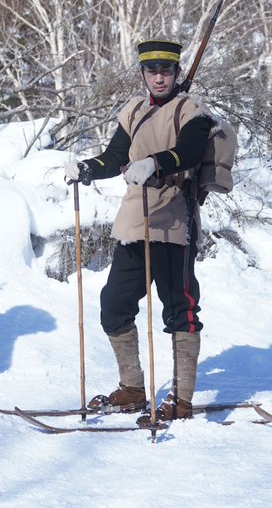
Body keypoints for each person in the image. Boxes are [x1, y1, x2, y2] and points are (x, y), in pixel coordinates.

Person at [65, 39, 217, 421]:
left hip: (174, 220)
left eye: (167, 70)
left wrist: (155, 163)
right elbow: (115, 157)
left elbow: (192, 151)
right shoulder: (133, 110)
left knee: (180, 308)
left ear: (176, 72)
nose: (160, 77)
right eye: (153, 70)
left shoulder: (191, 110)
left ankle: (182, 399)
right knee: (114, 304)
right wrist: (86, 168)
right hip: (135, 221)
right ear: (143, 74)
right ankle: (132, 388)